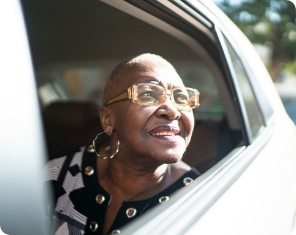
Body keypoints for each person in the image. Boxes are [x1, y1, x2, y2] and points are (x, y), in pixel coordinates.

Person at [44, 53, 200, 235]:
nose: (173, 111)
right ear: (108, 120)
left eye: (181, 98)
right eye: (148, 94)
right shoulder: (56, 177)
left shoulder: (199, 200)